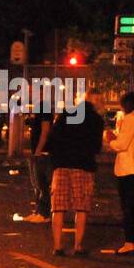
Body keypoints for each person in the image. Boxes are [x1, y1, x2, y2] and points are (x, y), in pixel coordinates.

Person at [47, 97, 104, 255]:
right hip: (83, 166)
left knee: (58, 207)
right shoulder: (96, 120)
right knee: (81, 207)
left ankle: (57, 246)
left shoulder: (65, 115)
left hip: (61, 165)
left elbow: (52, 139)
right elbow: (97, 146)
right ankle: (78, 246)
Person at [104, 91, 134, 254]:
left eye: (123, 105)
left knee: (127, 207)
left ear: (128, 104)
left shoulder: (131, 119)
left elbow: (122, 144)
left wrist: (111, 140)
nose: (123, 109)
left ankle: (130, 241)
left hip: (127, 168)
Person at [25, 103, 54, 221]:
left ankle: (44, 213)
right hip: (38, 152)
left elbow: (45, 130)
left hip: (43, 153)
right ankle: (38, 211)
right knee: (37, 184)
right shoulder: (38, 108)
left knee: (42, 184)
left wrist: (38, 150)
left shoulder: (44, 108)